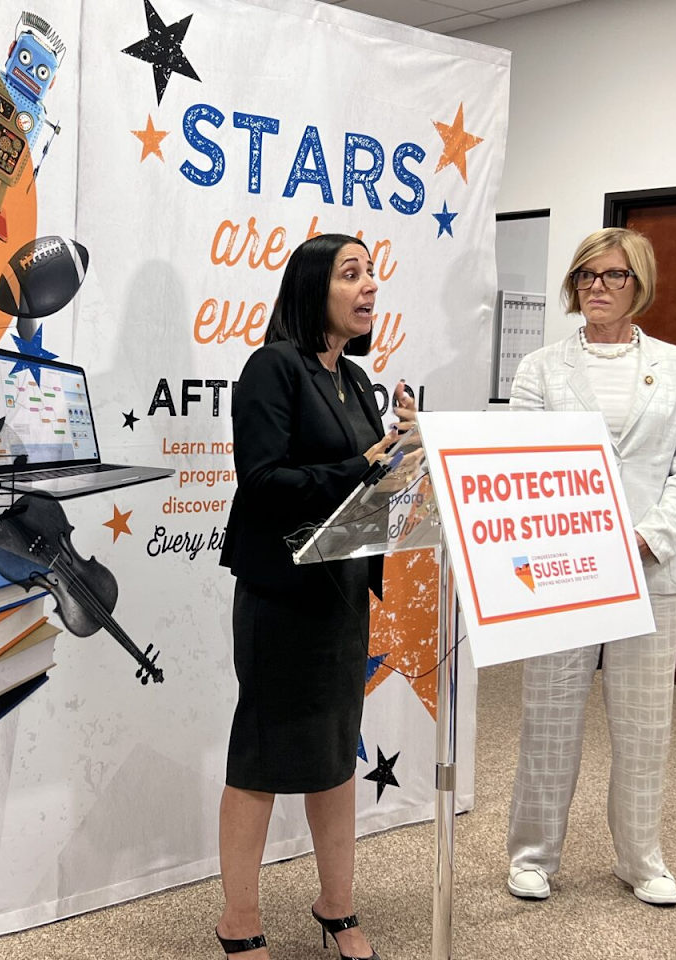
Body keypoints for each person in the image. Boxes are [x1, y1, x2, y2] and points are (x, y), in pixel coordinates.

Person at [216, 234, 421, 960]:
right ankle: (238, 923)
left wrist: (403, 449)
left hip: (342, 593)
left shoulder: (357, 382)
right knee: (264, 759)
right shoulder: (273, 367)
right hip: (282, 595)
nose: (370, 287)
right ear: (312, 288)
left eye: (373, 274)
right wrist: (360, 464)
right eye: (352, 273)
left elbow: (371, 486)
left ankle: (337, 906)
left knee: (336, 754)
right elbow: (265, 484)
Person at [504, 227, 676, 906]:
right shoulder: (539, 367)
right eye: (587, 274)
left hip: (651, 567)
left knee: (645, 724)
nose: (597, 286)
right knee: (550, 717)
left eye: (613, 275)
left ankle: (640, 859)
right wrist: (580, 542)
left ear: (637, 284)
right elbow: (523, 466)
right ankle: (532, 855)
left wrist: (648, 539)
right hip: (565, 568)